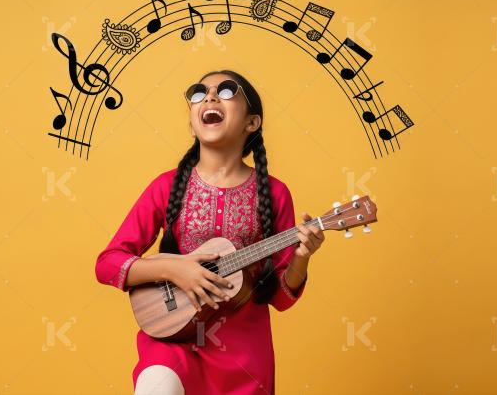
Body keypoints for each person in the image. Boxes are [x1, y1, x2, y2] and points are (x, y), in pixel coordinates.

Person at [95, 70, 325, 394]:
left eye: (227, 92)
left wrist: (301, 259)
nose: (211, 97)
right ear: (193, 122)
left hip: (244, 354)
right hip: (171, 338)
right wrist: (175, 269)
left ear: (252, 123)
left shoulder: (274, 194)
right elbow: (107, 264)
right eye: (200, 93)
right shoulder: (166, 186)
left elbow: (281, 298)